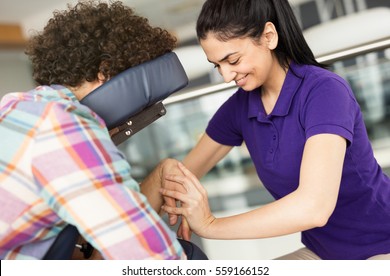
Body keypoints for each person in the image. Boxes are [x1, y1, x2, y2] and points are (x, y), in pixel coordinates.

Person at [159, 0, 390, 260]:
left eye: (232, 59)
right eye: (217, 65)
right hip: (323, 253)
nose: (225, 76)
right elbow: (184, 174)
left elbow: (314, 208)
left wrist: (211, 225)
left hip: (382, 244)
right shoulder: (240, 107)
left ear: (268, 36)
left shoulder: (325, 90)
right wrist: (171, 181)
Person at [0, 1, 186, 260]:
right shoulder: (61, 124)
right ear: (105, 72)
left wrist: (159, 179)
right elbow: (152, 259)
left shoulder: (16, 108)